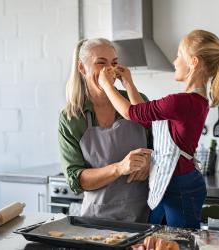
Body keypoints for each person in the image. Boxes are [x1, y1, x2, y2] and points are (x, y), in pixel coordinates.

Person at [99, 30, 219, 228]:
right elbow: (146, 118)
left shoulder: (181, 102)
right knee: (156, 236)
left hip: (180, 185)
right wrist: (128, 83)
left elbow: (130, 113)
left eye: (179, 55)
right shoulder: (193, 101)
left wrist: (107, 86)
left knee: (181, 241)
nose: (175, 61)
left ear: (193, 62)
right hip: (171, 181)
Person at [58, 38, 154, 223]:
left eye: (114, 63)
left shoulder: (137, 101)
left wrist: (152, 160)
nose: (109, 69)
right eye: (101, 63)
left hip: (147, 218)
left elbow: (164, 149)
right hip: (97, 222)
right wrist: (119, 168)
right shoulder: (71, 118)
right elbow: (77, 180)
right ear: (82, 68)